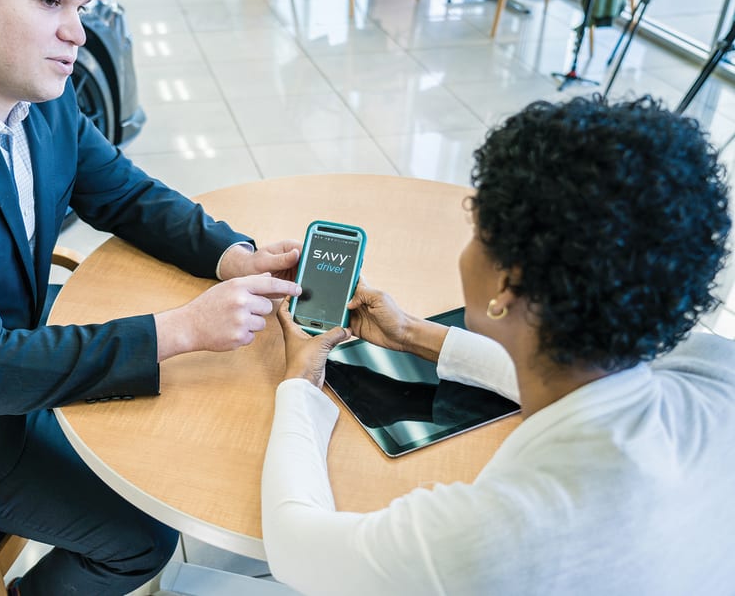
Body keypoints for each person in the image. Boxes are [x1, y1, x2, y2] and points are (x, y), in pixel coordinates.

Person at [0, 0, 302, 593]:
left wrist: (233, 255)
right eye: (52, 2)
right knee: (141, 534)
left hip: (2, 339)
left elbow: (122, 192)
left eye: (83, 6)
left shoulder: (30, 80)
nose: (76, 32)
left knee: (206, 410)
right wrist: (184, 328)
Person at [262, 95, 735, 595]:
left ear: (507, 282)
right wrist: (412, 334)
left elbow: (293, 546)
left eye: (476, 233)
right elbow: (585, 385)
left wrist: (298, 384)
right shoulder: (718, 370)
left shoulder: (487, 537)